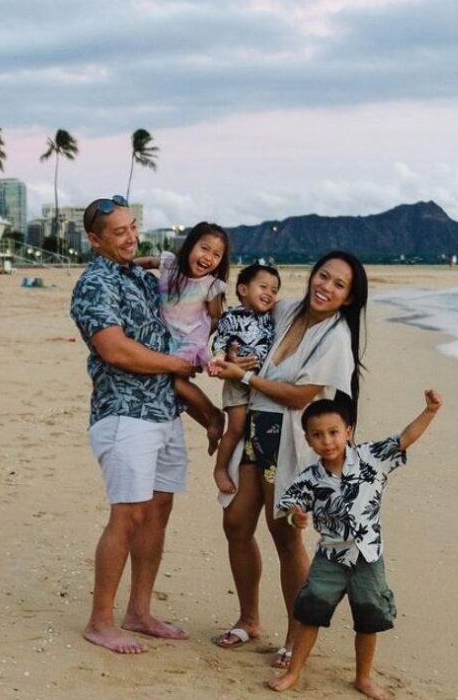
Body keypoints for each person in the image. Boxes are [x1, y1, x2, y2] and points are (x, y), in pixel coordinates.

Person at [208, 250, 367, 669]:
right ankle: (249, 619)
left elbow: (300, 397)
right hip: (255, 426)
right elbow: (245, 311)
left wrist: (244, 376)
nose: (325, 287)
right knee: (236, 522)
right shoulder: (287, 309)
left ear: (349, 298)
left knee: (284, 535)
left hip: (290, 437)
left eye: (338, 284)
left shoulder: (336, 337)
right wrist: (232, 354)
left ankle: (297, 637)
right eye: (323, 276)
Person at [69, 195, 197, 654]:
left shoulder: (140, 279)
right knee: (128, 515)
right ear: (94, 239)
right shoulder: (94, 284)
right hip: (125, 413)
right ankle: (100, 621)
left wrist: (150, 261)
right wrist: (176, 364)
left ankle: (139, 612)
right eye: (119, 232)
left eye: (133, 227)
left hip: (164, 411)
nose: (130, 237)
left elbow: (193, 282)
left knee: (158, 511)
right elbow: (115, 349)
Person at [266, 390, 443, 698]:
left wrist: (429, 411)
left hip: (368, 556)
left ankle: (363, 678)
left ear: (347, 432)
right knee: (309, 614)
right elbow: (290, 508)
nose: (327, 440)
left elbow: (404, 439)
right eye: (318, 435)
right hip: (329, 558)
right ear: (308, 440)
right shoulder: (309, 478)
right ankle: (293, 672)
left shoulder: (371, 457)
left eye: (333, 432)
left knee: (369, 618)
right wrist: (298, 518)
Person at [142, 222, 230, 454]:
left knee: (173, 383)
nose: (208, 257)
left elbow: (216, 317)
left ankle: (214, 416)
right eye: (204, 248)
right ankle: (210, 422)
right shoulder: (170, 265)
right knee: (174, 389)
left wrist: (199, 342)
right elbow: (147, 262)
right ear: (190, 245)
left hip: (189, 341)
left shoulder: (210, 285)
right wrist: (121, 266)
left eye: (216, 254)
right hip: (165, 338)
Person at [211, 263, 281, 494]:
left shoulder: (269, 317)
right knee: (237, 427)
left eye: (274, 290)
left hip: (260, 381)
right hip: (236, 381)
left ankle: (246, 467)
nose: (269, 293)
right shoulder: (231, 317)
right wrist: (220, 359)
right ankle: (220, 469)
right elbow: (220, 341)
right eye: (263, 287)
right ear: (243, 289)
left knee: (255, 430)